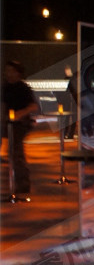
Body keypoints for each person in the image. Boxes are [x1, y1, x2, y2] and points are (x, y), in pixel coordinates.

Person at [2, 61, 40, 201]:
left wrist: (20, 114)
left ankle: (22, 184)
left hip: (20, 124)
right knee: (12, 152)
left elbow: (33, 106)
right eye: (7, 71)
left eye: (11, 71)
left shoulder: (23, 88)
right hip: (7, 123)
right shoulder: (5, 87)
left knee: (16, 152)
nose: (8, 74)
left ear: (18, 73)